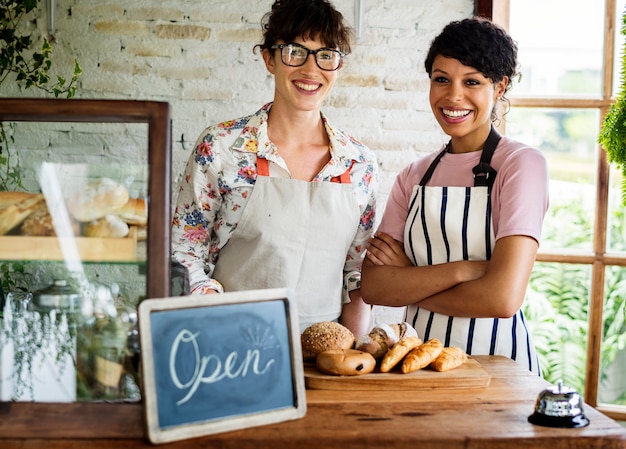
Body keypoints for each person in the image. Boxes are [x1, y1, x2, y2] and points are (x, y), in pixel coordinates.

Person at [171, 0, 378, 337]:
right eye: (295, 51)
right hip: (231, 343)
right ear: (269, 58)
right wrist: (213, 314)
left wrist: (355, 353)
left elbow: (356, 273)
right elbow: (184, 253)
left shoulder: (359, 164)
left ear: (338, 66)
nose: (311, 71)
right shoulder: (221, 147)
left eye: (326, 54)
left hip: (325, 356)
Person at [360, 17, 548, 375]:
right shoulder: (413, 176)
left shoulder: (521, 166)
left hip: (497, 367)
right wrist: (466, 270)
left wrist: (410, 279)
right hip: (416, 364)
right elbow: (374, 286)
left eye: (472, 82)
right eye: (441, 79)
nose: (453, 96)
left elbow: (502, 298)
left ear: (500, 86)